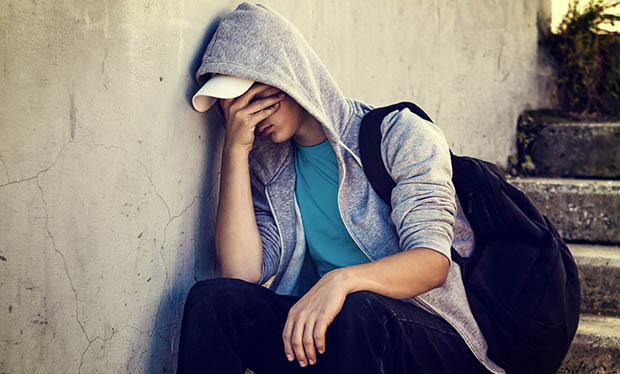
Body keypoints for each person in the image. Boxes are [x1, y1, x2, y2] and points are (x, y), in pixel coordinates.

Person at [177, 3, 504, 373]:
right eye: (229, 107)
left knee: (360, 306)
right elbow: (242, 274)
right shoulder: (272, 168)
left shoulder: (399, 134)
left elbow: (432, 263)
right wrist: (235, 152)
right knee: (214, 299)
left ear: (285, 74)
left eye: (250, 98)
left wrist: (342, 280)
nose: (245, 115)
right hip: (336, 337)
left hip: (432, 340)